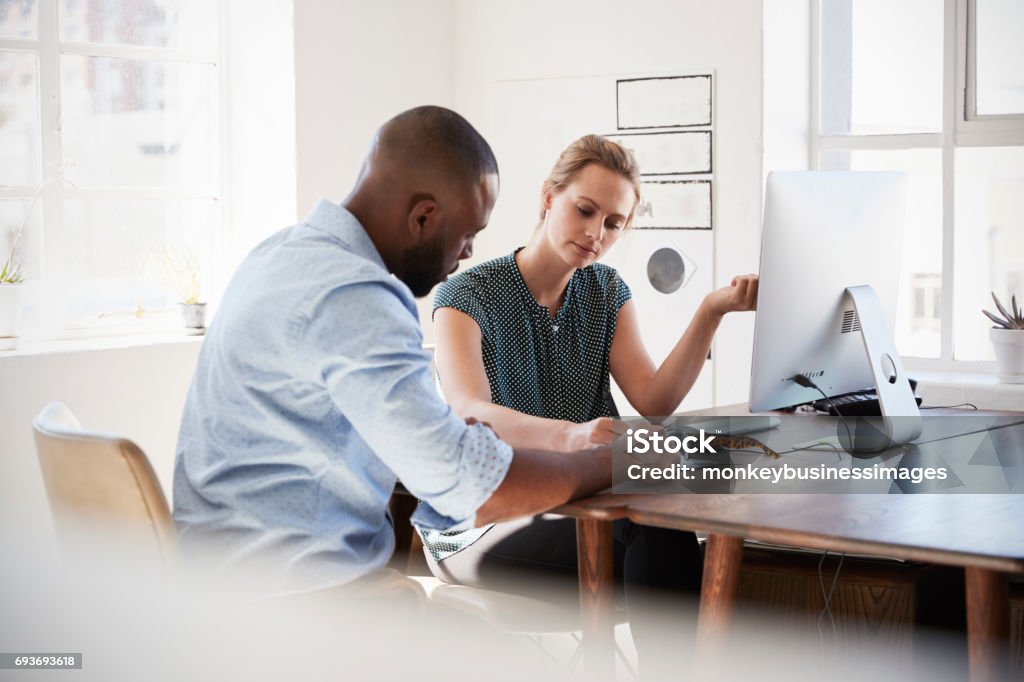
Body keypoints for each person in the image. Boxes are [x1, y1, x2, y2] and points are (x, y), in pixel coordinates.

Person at [172, 106, 614, 596]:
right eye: (468, 235)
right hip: (302, 599)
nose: (466, 253)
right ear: (423, 217)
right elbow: (469, 485)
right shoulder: (356, 295)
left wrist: (446, 438)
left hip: (221, 584)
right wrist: (618, 460)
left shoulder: (277, 255)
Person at [420, 134, 758, 665]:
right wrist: (571, 434)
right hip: (476, 525)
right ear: (548, 197)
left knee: (671, 528)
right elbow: (470, 412)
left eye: (614, 223)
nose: (596, 233)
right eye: (584, 210)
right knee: (654, 540)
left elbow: (654, 399)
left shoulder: (606, 291)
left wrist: (711, 310)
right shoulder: (465, 297)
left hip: (584, 507)